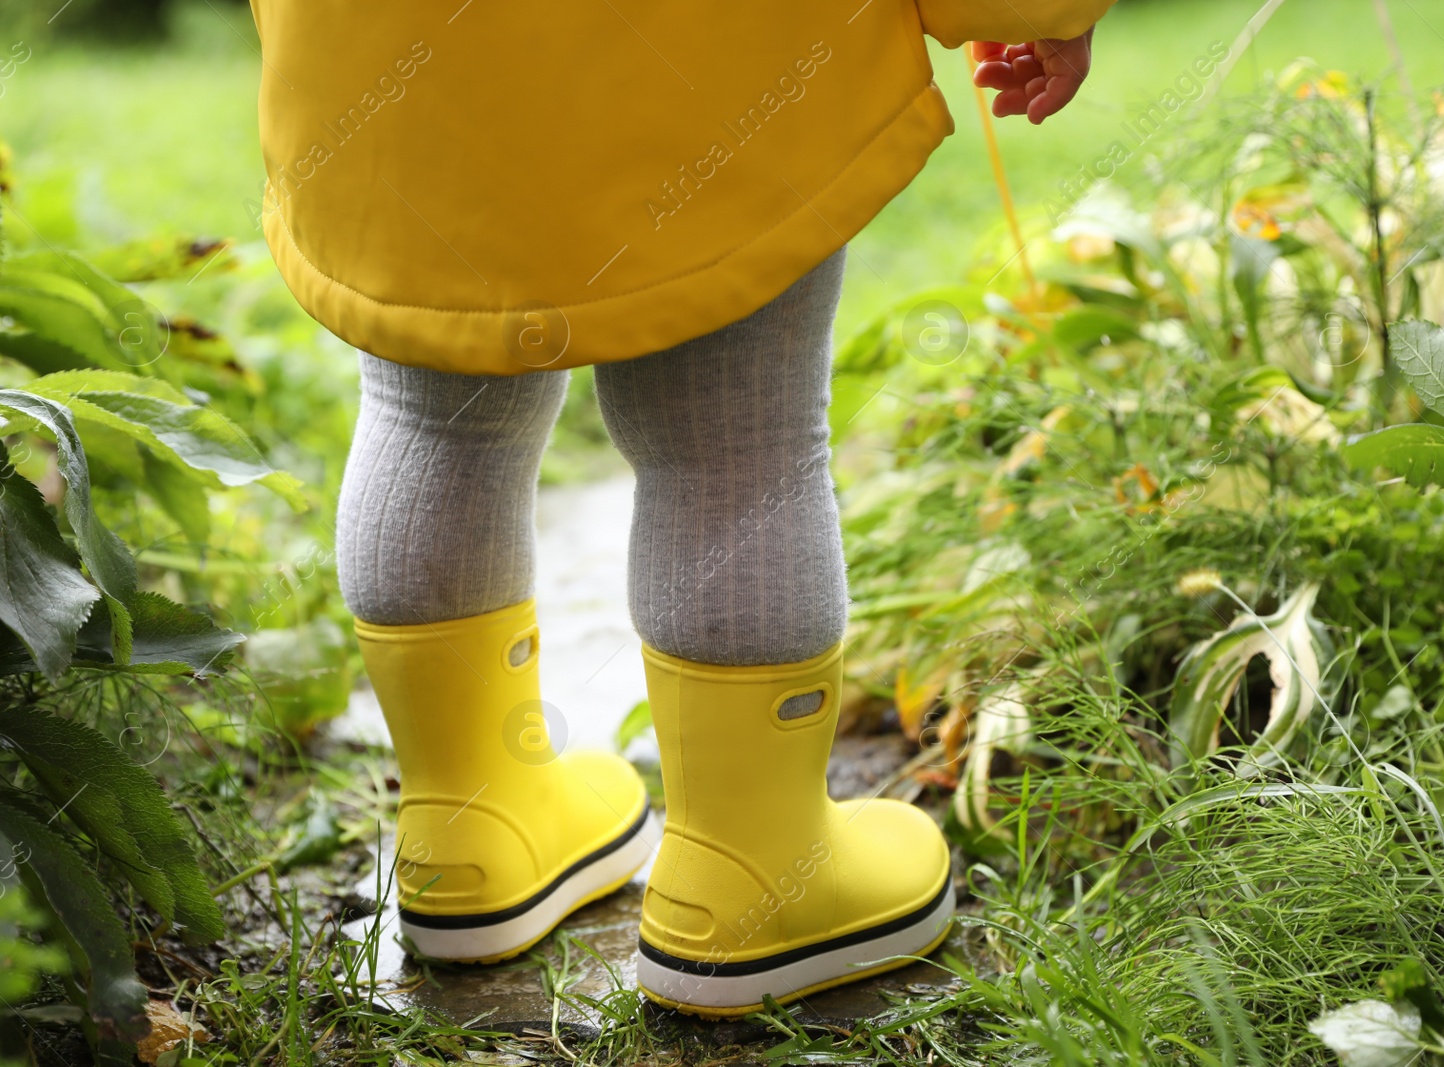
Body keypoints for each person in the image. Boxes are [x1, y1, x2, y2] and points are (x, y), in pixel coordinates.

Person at [246, 0, 1112, 1017]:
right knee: (734, 441)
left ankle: (466, 827)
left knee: (430, 414)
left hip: (388, 53)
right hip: (712, 56)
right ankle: (751, 871)